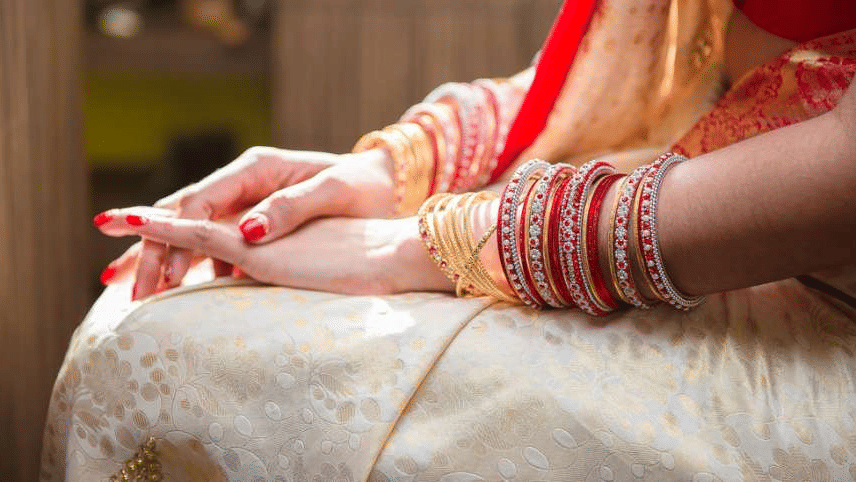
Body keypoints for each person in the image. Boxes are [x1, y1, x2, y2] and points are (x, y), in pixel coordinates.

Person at [42, 0, 856, 480]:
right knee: (159, 327)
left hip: (824, 317)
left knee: (197, 359)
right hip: (691, 191)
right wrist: (394, 170)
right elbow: (621, 81)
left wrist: (423, 247)